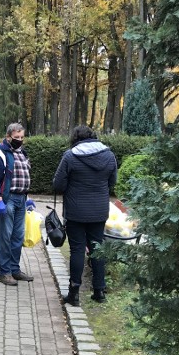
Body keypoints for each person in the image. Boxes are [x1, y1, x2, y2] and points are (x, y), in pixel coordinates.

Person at [52, 125, 118, 306]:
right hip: (99, 211)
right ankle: (99, 291)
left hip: (75, 212)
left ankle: (74, 293)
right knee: (97, 249)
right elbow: (113, 182)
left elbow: (58, 184)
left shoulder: (70, 156)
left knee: (77, 250)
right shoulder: (109, 156)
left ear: (75, 139)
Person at [0, 122, 33, 287]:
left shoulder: (22, 152)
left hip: (21, 199)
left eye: (22, 137)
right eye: (16, 137)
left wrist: (28, 198)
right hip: (7, 200)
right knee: (6, 236)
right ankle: (4, 272)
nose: (19, 140)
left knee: (18, 236)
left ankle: (14, 269)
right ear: (8, 137)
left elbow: (24, 174)